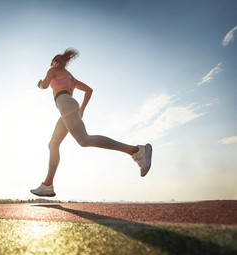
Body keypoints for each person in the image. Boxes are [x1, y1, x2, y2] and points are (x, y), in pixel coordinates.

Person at [31, 48, 152, 197]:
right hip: (68, 106)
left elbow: (44, 85)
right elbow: (89, 90)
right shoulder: (71, 78)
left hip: (64, 104)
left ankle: (137, 151)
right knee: (53, 144)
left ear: (55, 62)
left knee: (84, 140)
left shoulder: (53, 70)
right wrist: (81, 109)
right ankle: (47, 185)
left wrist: (40, 84)